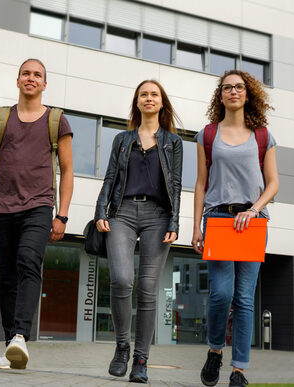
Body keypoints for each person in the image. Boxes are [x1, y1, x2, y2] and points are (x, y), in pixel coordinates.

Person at [0, 58, 74, 370]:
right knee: (6, 277)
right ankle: (10, 349)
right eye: (26, 73)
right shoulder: (0, 117)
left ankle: (19, 336)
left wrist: (63, 215)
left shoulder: (57, 120)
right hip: (2, 206)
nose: (31, 78)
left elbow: (68, 171)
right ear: (18, 81)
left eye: (37, 75)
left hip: (39, 206)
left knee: (28, 261)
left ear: (45, 84)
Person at [191, 70, 279, 387]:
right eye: (227, 87)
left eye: (239, 87)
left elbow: (273, 184)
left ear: (247, 93)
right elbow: (201, 183)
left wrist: (254, 210)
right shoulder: (208, 134)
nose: (233, 92)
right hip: (216, 219)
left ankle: (238, 369)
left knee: (243, 299)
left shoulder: (262, 135)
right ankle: (215, 350)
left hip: (253, 223)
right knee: (221, 294)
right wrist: (196, 226)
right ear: (221, 95)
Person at [94, 79, 182, 383]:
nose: (148, 98)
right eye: (143, 94)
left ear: (161, 102)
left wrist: (175, 221)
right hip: (122, 212)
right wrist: (99, 211)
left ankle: (141, 360)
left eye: (154, 94)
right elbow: (109, 178)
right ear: (137, 102)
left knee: (147, 289)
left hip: (158, 216)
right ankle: (121, 346)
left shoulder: (173, 142)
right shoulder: (122, 139)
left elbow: (176, 185)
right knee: (121, 280)